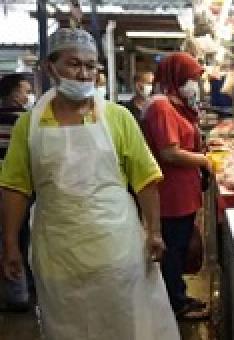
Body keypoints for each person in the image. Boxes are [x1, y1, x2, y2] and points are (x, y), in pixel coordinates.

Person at [0, 28, 180, 340]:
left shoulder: (117, 117)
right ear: (50, 67)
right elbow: (16, 188)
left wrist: (154, 230)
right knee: (68, 327)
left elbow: (145, 179)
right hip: (58, 253)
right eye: (73, 64)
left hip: (116, 249)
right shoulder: (28, 125)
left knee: (125, 324)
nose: (84, 73)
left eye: (91, 66)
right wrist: (11, 245)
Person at [143, 52, 211, 320]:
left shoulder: (173, 105)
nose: (195, 83)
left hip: (182, 192)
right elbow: (169, 152)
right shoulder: (161, 107)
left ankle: (177, 296)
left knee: (179, 247)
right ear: (177, 76)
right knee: (171, 250)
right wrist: (204, 160)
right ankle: (175, 305)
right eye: (192, 78)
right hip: (170, 194)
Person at [0, 73, 34, 313]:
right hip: (16, 188)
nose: (28, 95)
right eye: (25, 90)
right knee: (17, 238)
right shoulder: (24, 120)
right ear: (13, 92)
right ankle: (19, 292)